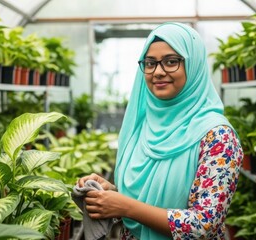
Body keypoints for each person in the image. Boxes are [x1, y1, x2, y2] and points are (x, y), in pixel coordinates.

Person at [77, 22, 243, 239]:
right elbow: (149, 201)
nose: (158, 72)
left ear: (193, 65)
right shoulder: (142, 125)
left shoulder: (218, 137)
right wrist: (111, 196)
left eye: (171, 61)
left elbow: (204, 225)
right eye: (150, 63)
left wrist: (125, 206)